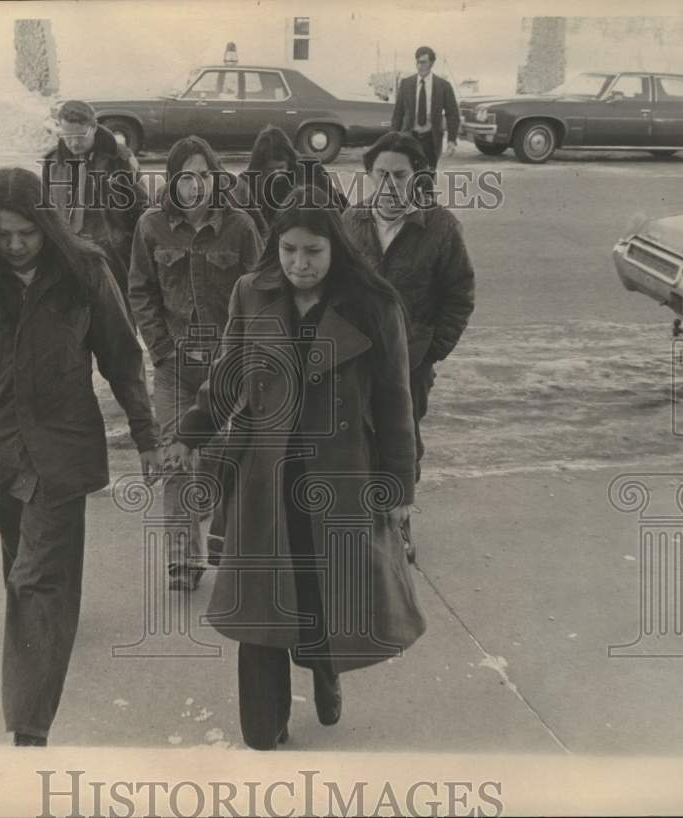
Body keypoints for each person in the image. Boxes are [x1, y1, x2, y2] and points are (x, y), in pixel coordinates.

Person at [166, 195, 425, 750]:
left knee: (318, 594)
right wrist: (192, 432)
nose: (299, 263)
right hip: (266, 474)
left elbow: (394, 401)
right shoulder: (250, 293)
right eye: (288, 249)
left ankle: (325, 669)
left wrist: (400, 483)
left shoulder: (374, 304)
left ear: (337, 249)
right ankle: (263, 725)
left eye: (313, 251)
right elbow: (226, 377)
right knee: (261, 603)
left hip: (341, 477)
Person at [0, 167, 162, 747]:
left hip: (61, 448)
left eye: (26, 232)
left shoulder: (84, 271)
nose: (17, 245)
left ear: (45, 225)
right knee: (22, 565)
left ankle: (29, 730)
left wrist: (147, 436)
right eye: (3, 235)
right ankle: (44, 638)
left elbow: (123, 359)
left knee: (38, 580)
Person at [128, 136, 263, 591]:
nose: (196, 186)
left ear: (215, 178)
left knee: (226, 457)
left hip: (229, 369)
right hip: (176, 367)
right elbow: (141, 290)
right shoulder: (151, 227)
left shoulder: (240, 227)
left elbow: (263, 290)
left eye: (204, 175)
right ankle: (183, 561)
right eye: (187, 177)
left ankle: (220, 529)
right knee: (175, 457)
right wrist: (161, 349)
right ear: (173, 182)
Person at [342, 131, 475, 483]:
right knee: (357, 439)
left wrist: (430, 351)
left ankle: (399, 517)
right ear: (370, 176)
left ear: (417, 176)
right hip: (357, 358)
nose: (390, 184)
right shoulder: (350, 221)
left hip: (411, 360)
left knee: (401, 442)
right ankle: (370, 525)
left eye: (399, 175)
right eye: (381, 174)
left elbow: (459, 294)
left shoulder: (441, 227)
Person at [41, 100, 148, 316]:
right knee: (74, 314)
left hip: (111, 249)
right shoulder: (53, 161)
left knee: (117, 314)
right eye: (67, 136)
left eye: (80, 136)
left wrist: (132, 245)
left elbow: (140, 205)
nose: (73, 143)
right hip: (69, 249)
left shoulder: (120, 158)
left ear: (94, 127)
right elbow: (46, 209)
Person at [231, 125, 349, 238]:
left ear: (290, 161)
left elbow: (335, 210)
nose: (276, 174)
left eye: (280, 167)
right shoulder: (247, 182)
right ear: (260, 168)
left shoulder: (311, 170)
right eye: (270, 169)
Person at [390, 46, 461, 169]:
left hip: (431, 140)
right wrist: (392, 139)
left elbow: (453, 114)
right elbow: (398, 114)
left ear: (431, 63)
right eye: (417, 62)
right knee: (409, 179)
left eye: (423, 62)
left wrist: (451, 140)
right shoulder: (406, 84)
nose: (419, 66)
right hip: (409, 138)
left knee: (427, 180)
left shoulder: (443, 86)